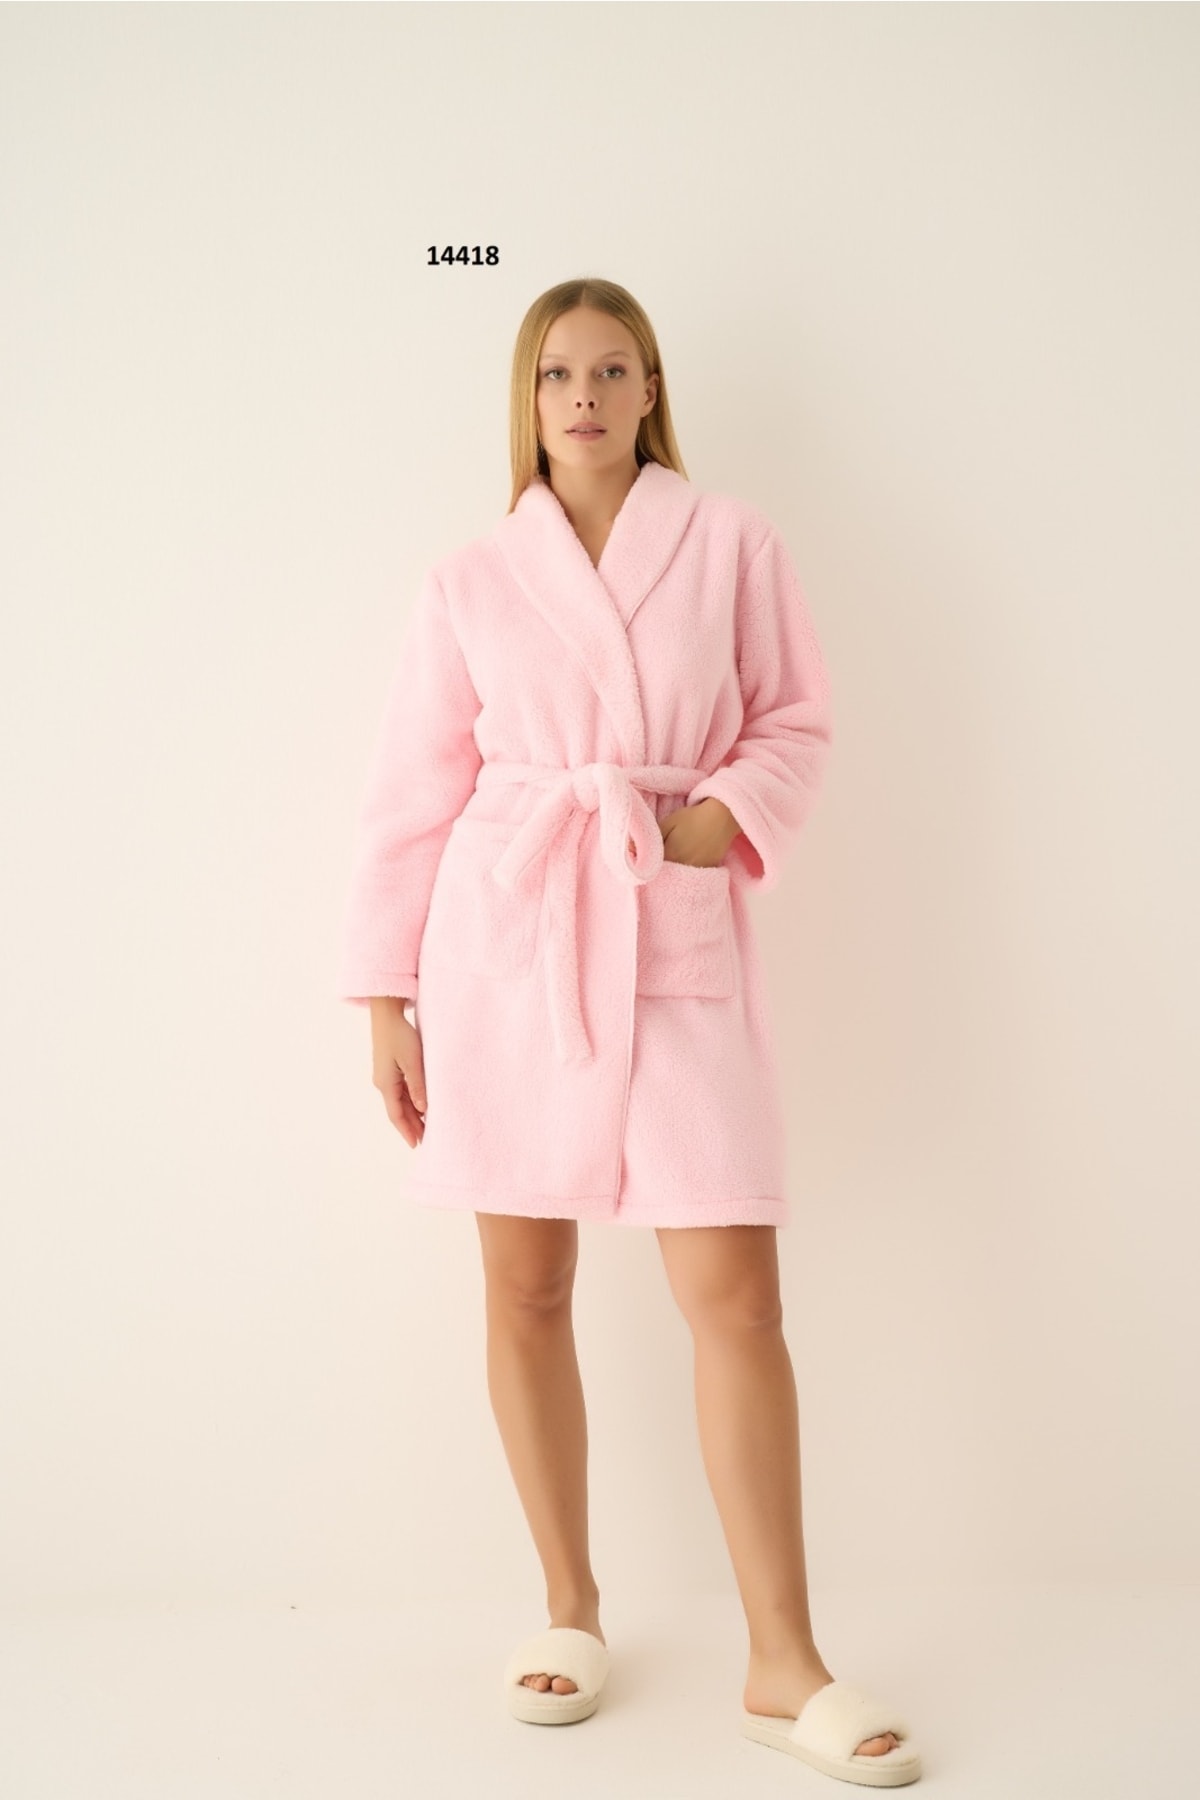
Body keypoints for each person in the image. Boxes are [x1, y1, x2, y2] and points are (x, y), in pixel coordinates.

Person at [337, 278, 922, 1786]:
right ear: (526, 400)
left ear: (652, 387)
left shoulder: (731, 544)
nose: (583, 398)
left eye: (610, 370)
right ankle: (570, 1604)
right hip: (509, 943)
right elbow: (411, 794)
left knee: (735, 1296)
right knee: (525, 1283)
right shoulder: (471, 579)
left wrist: (713, 820)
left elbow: (794, 717)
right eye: (555, 375)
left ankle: (782, 1655)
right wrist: (387, 995)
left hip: (666, 921)